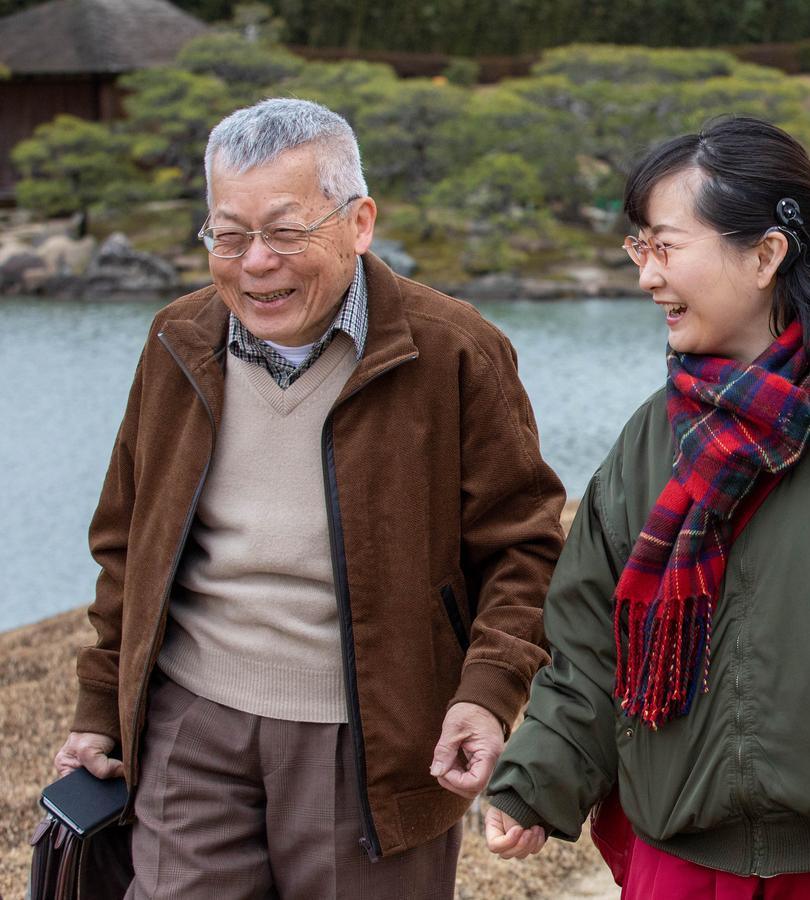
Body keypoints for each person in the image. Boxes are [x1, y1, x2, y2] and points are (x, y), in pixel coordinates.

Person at [483, 116, 810, 898]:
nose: (646, 276)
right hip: (685, 868)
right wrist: (538, 779)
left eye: (666, 246)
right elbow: (595, 651)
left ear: (767, 253)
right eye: (640, 247)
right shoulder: (651, 438)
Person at [52, 98, 566, 897]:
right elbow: (126, 542)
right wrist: (97, 704)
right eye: (228, 234)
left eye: (287, 232)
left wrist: (489, 694)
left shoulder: (455, 350)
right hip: (189, 724)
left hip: (375, 742)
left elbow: (524, 545)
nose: (255, 262)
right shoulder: (176, 341)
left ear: (358, 222)